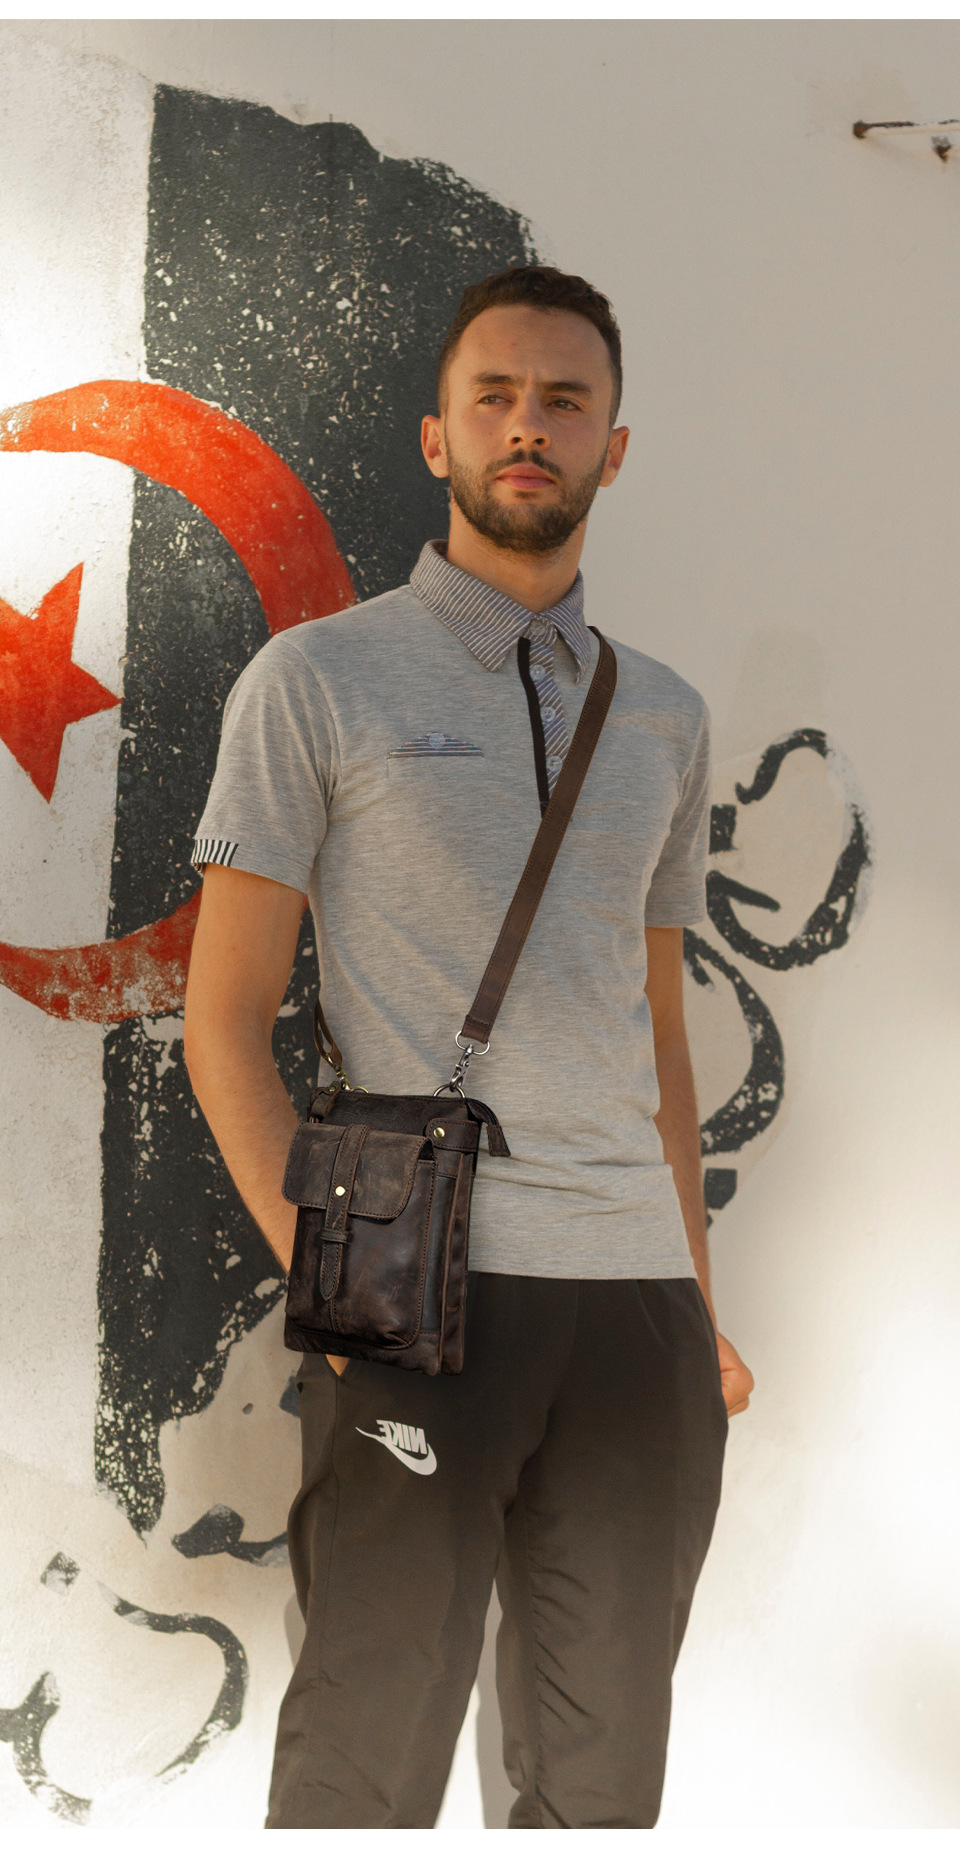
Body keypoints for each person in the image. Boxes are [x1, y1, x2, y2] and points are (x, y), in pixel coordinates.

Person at [184, 264, 754, 1830]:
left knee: (602, 1782)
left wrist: (700, 1303)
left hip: (637, 1311)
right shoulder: (316, 681)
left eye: (566, 400)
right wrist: (332, 1278)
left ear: (613, 447)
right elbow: (223, 1022)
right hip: (418, 1302)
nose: (528, 425)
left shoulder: (663, 716)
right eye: (495, 395)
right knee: (363, 1768)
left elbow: (658, 1034)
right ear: (437, 436)